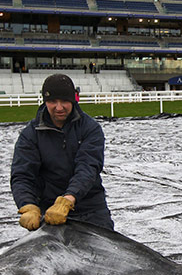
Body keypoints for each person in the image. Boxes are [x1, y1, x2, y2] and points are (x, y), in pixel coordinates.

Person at [11, 73, 114, 231]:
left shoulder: (90, 128)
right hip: (50, 212)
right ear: (45, 102)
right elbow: (22, 175)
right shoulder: (30, 134)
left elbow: (87, 168)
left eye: (64, 101)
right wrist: (28, 205)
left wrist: (68, 199)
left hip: (91, 210)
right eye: (52, 101)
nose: (59, 108)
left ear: (73, 99)